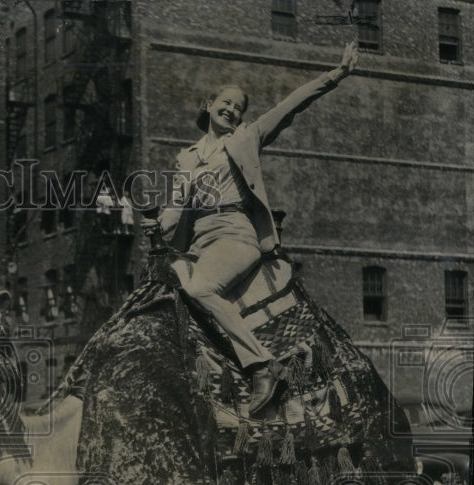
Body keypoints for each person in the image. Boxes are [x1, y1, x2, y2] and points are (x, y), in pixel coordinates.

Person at [150, 40, 359, 416]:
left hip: (237, 234)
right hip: (201, 243)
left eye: (238, 107)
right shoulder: (187, 157)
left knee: (200, 287)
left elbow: (291, 104)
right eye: (225, 103)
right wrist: (155, 222)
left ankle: (262, 365)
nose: (231, 110)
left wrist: (336, 75)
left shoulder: (247, 137)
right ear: (208, 105)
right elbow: (176, 206)